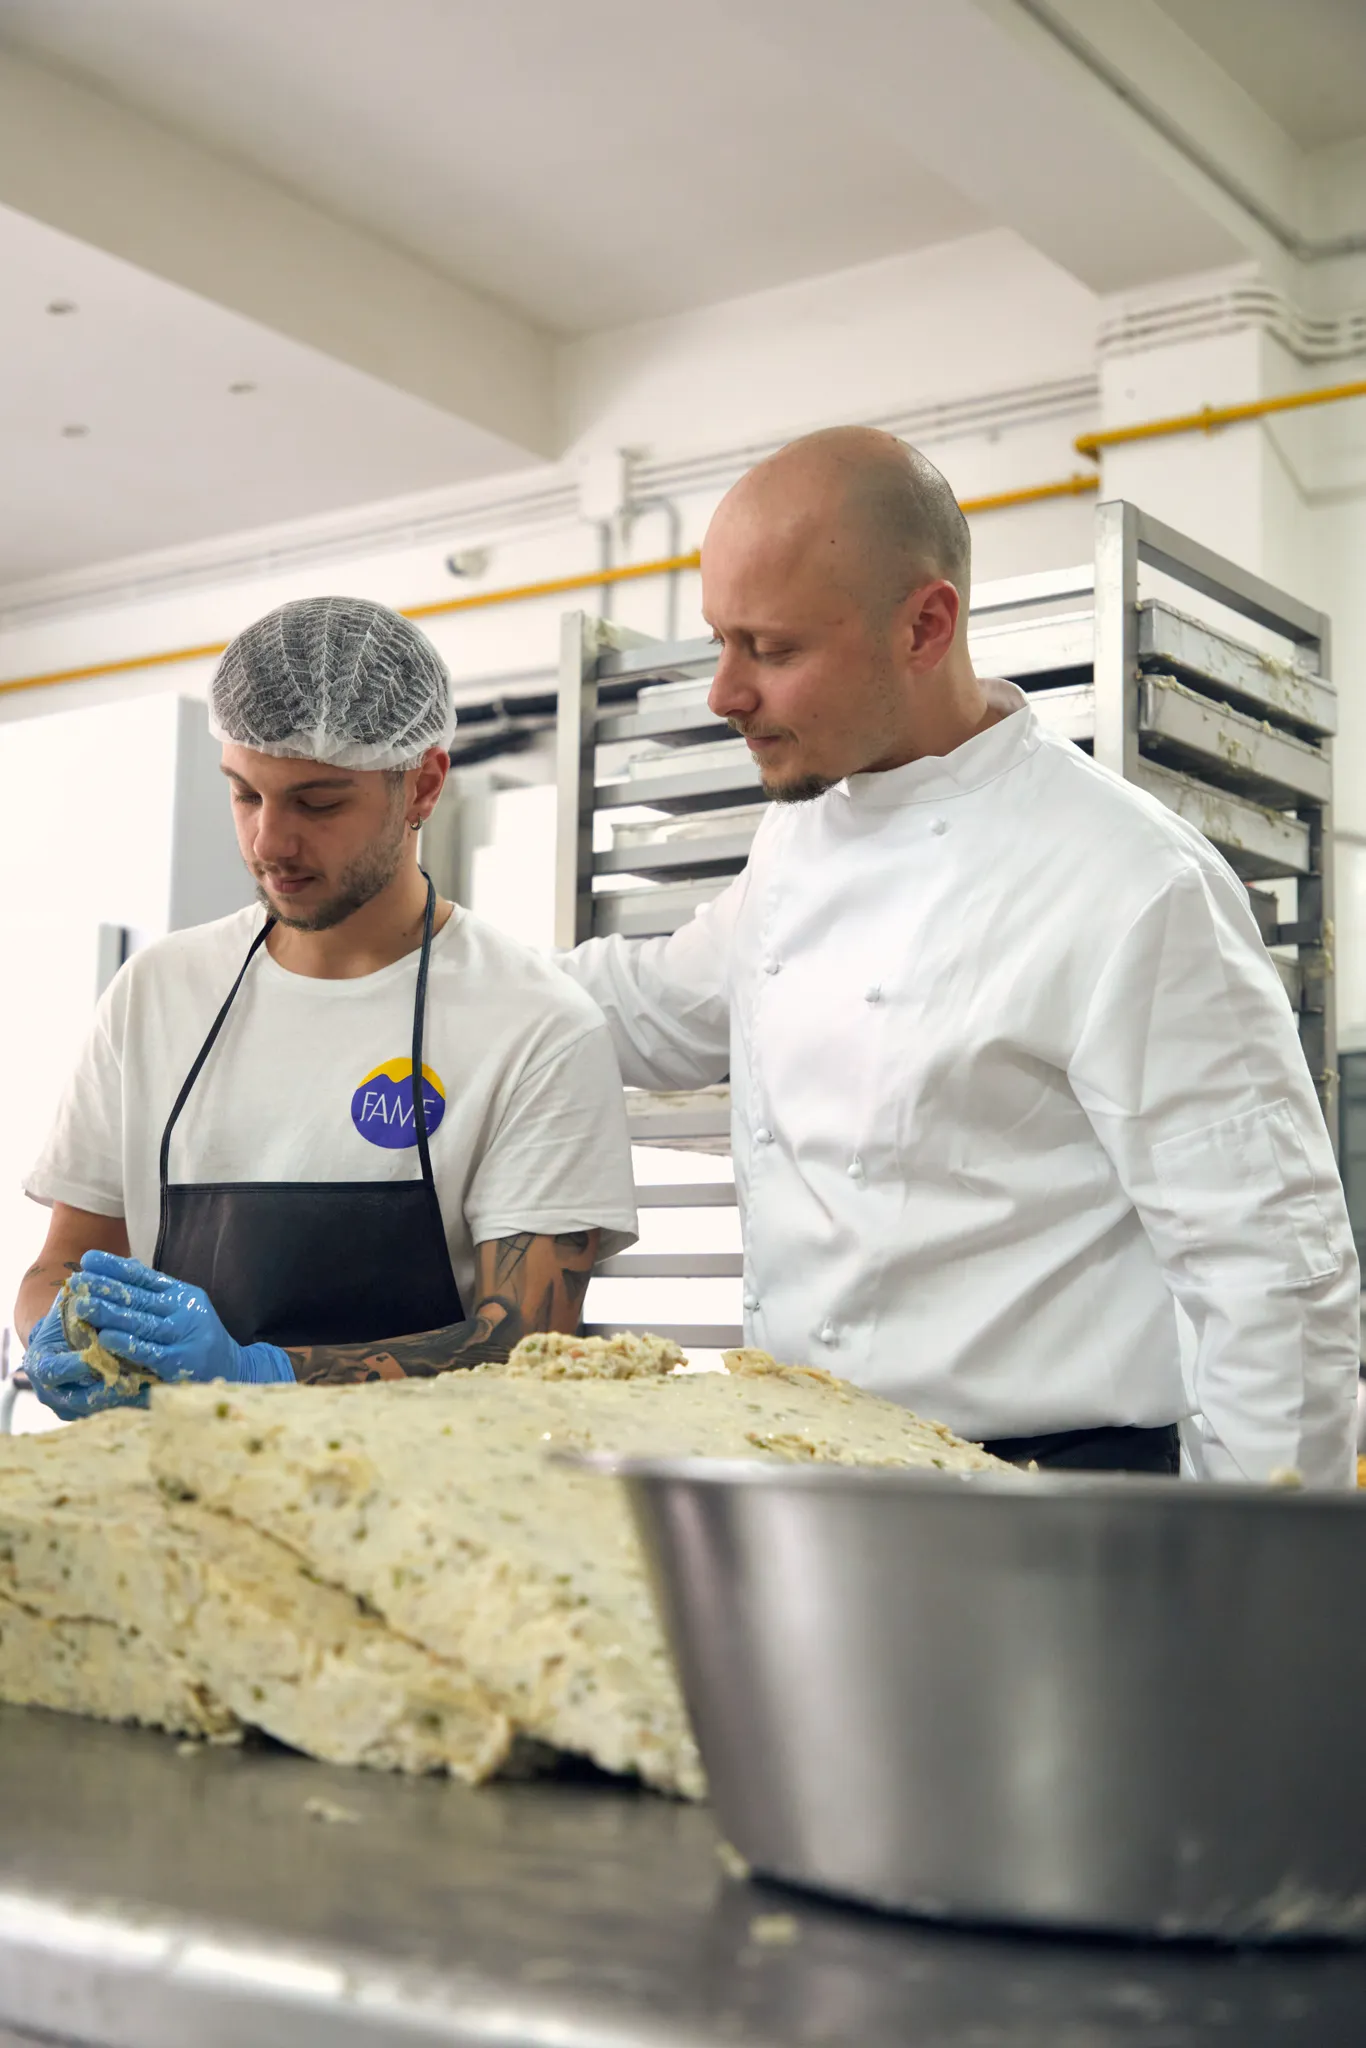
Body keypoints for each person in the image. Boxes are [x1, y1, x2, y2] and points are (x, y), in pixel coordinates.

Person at [562, 427, 1360, 1484]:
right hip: (819, 1471)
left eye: (773, 649)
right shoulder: (801, 832)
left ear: (924, 627)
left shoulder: (1130, 879)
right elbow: (662, 1004)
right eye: (720, 641)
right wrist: (427, 962)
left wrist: (1257, 1560)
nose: (724, 693)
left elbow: (1270, 1269)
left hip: (1050, 1496)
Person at [19, 597, 636, 1418]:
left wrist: (261, 1376)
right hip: (174, 1481)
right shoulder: (156, 993)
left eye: (317, 803)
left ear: (423, 786)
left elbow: (527, 1346)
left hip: (419, 1494)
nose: (269, 842)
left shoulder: (536, 1027)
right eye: (245, 794)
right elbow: (63, 1263)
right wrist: (53, 1333)